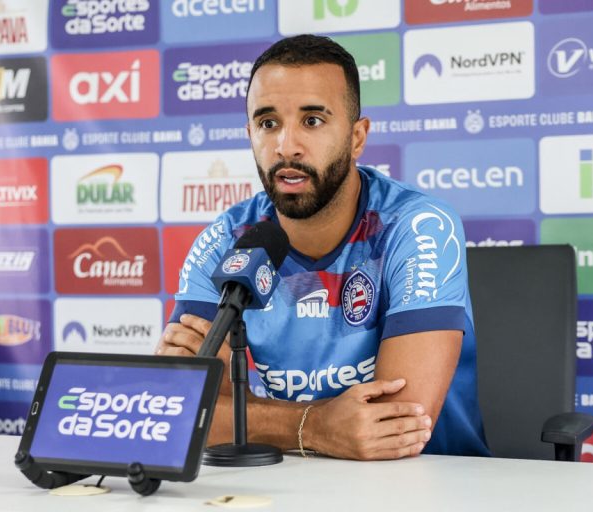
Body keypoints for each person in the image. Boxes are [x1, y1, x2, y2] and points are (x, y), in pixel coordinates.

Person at [157, 34, 489, 460]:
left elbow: (396, 423)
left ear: (357, 137)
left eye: (312, 121)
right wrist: (315, 426)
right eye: (268, 123)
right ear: (249, 134)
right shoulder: (225, 240)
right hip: (288, 486)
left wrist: (251, 418)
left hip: (429, 482)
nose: (286, 146)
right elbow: (186, 412)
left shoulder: (418, 226)